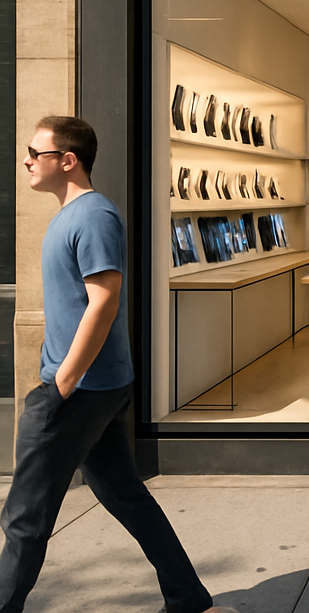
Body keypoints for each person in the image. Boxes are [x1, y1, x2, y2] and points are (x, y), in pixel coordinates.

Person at [0, 116, 234, 613]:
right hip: (93, 387)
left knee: (24, 517)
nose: (25, 161)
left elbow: (103, 302)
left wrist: (62, 382)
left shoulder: (92, 216)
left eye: (33, 153)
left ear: (67, 161)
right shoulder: (73, 215)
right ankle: (188, 595)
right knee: (126, 496)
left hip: (80, 392)